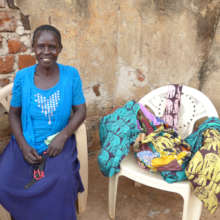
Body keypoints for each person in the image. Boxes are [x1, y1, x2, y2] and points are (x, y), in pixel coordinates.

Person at [0, 24, 86, 220]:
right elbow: (13, 114)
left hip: (58, 144)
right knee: (4, 180)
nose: (46, 52)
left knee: (62, 181)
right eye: (41, 46)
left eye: (52, 47)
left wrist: (63, 136)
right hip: (26, 142)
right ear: (33, 47)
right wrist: (22, 145)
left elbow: (81, 110)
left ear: (60, 49)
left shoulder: (71, 75)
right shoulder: (23, 76)